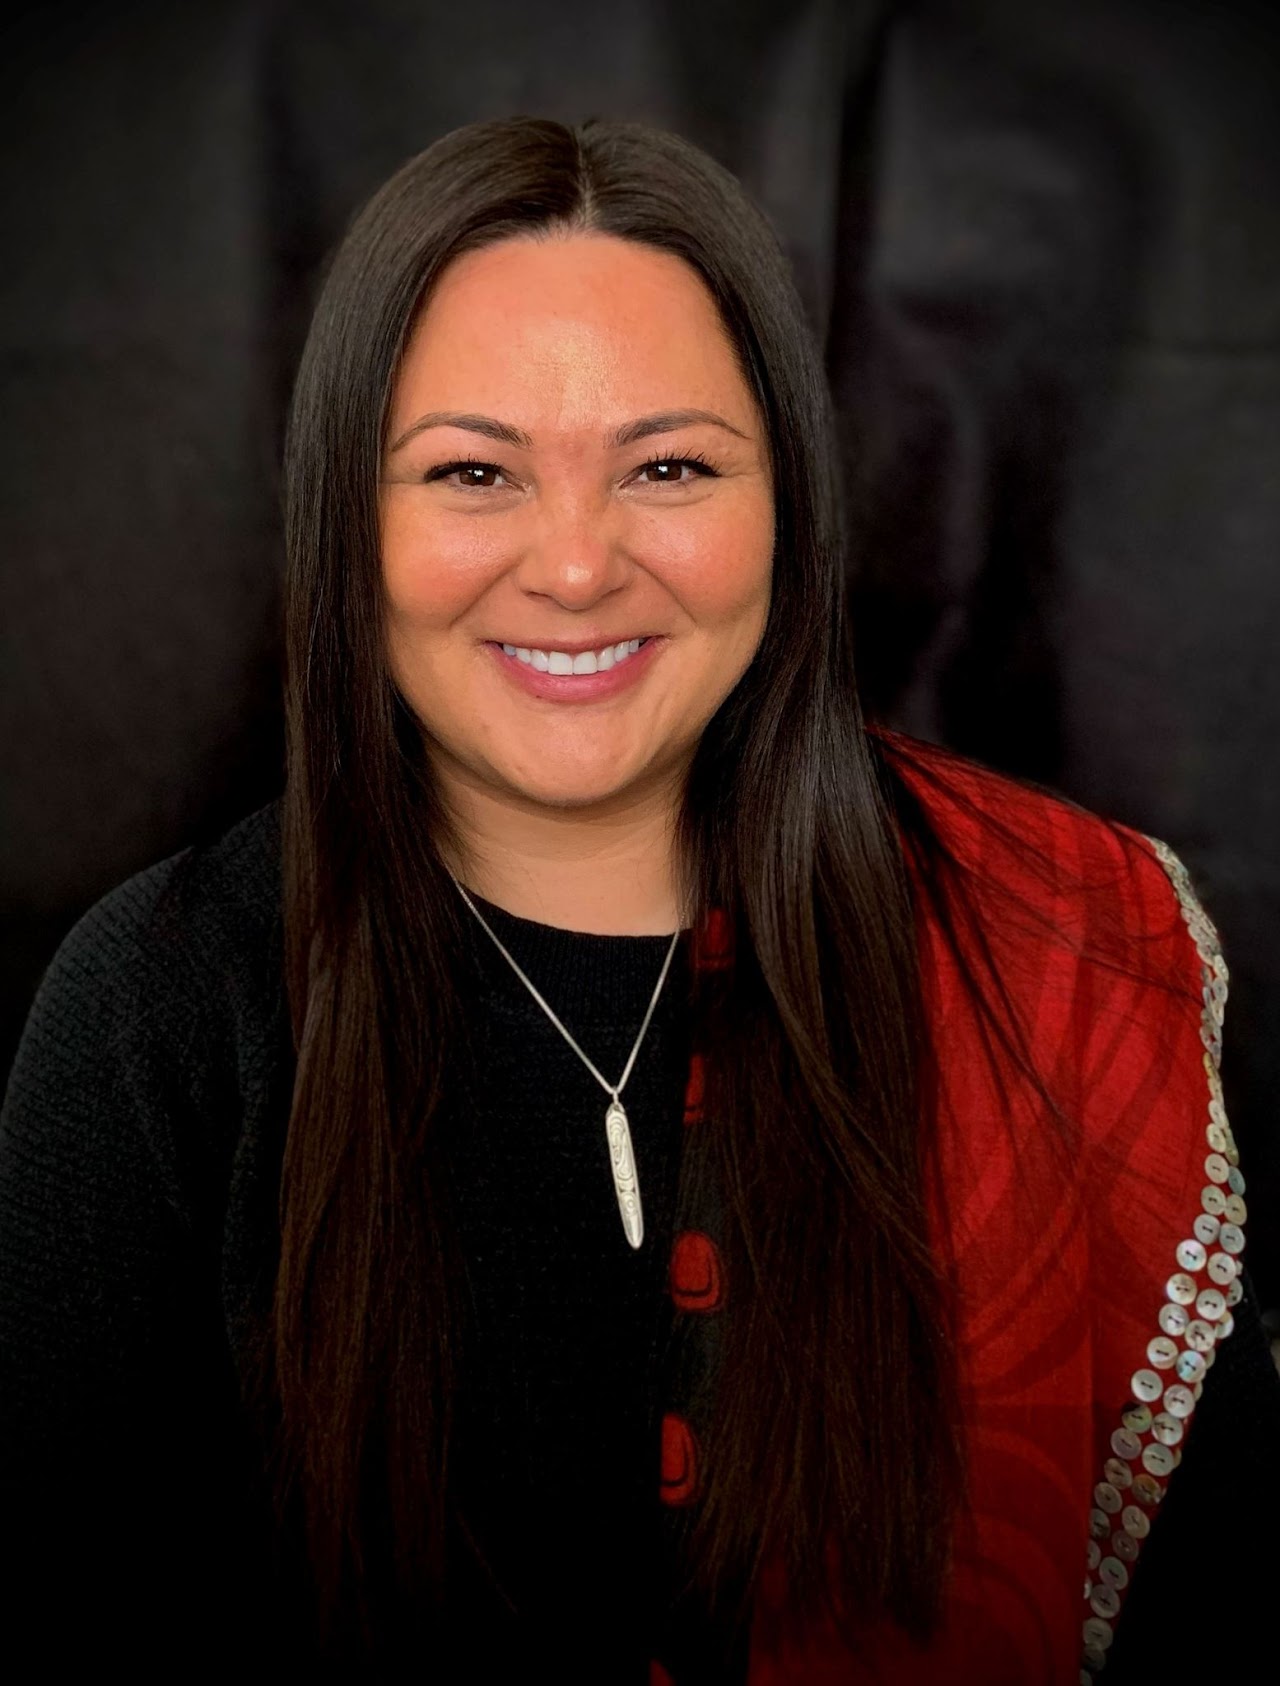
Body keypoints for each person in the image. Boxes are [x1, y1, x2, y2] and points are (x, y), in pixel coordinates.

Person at [1, 115, 1276, 1684]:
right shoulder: (155, 1011)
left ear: (790, 506)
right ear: (350, 524)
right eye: (473, 472)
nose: (580, 564)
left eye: (668, 465)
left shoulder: (1057, 957)